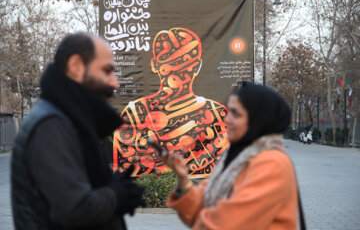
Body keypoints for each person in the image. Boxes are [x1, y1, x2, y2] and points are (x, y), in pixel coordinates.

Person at [11, 33, 144, 230]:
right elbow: (73, 209)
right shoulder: (52, 125)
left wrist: (110, 185)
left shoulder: (67, 119)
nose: (115, 83)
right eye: (107, 71)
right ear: (76, 66)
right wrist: (116, 196)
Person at [160, 81, 301, 229]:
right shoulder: (236, 157)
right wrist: (183, 180)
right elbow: (198, 209)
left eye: (236, 114)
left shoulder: (272, 163)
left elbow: (226, 225)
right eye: (228, 112)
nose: (226, 119)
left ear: (257, 120)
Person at [113, 28, 228, 178]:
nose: (177, 71)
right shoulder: (218, 114)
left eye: (183, 62)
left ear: (155, 65)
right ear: (198, 66)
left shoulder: (134, 114)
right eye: (172, 63)